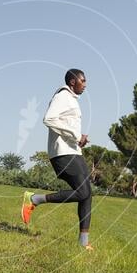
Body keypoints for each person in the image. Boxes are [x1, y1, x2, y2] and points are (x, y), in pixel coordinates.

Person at [21, 68, 94, 250]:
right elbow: (49, 119)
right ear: (72, 82)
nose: (85, 84)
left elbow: (66, 125)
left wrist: (79, 139)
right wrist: (76, 136)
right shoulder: (62, 96)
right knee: (83, 192)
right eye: (82, 81)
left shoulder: (72, 100)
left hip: (73, 151)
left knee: (87, 194)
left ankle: (83, 242)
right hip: (62, 153)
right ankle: (34, 199)